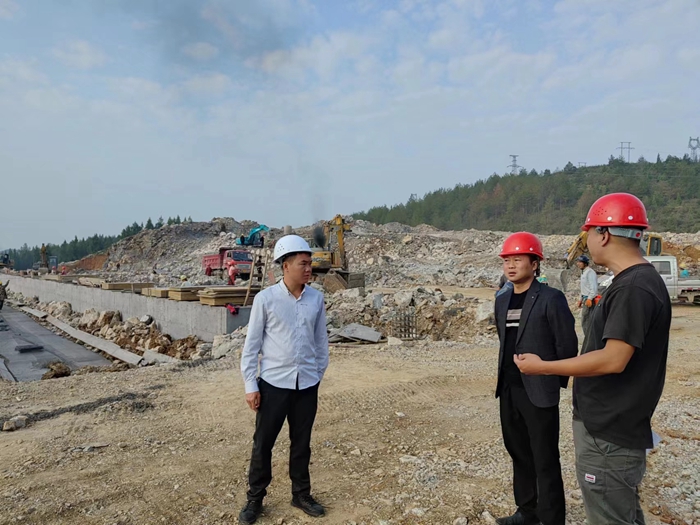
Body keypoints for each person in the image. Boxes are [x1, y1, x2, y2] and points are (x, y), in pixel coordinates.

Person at [514, 193, 671, 525]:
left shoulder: (633, 288)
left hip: (608, 432)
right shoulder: (636, 282)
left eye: (588, 233)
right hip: (614, 427)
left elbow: (613, 359)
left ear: (604, 234)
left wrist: (544, 367)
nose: (586, 242)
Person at [239, 234, 329, 525]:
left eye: (310, 263)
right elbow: (251, 347)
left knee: (301, 443)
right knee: (263, 444)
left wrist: (317, 374)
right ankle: (255, 499)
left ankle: (301, 494)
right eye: (303, 264)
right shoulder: (266, 299)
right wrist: (251, 385)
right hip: (273, 385)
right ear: (285, 265)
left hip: (307, 386)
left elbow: (321, 343)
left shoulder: (316, 299)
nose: (309, 269)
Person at [494, 232, 578, 525]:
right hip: (509, 389)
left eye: (518, 259)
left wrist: (552, 378)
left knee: (545, 459)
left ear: (534, 263)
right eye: (507, 260)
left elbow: (567, 344)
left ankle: (552, 518)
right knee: (518, 452)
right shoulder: (502, 299)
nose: (511, 265)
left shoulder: (551, 298)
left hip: (539, 391)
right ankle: (527, 512)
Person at [575, 255, 598, 336]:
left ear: (585, 263)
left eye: (580, 262)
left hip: (589, 300)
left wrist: (589, 298)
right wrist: (580, 300)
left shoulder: (590, 272)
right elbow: (584, 288)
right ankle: (588, 337)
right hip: (585, 298)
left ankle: (589, 337)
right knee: (585, 320)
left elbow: (593, 288)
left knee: (587, 320)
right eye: (577, 262)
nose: (578, 264)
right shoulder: (583, 273)